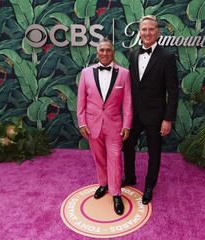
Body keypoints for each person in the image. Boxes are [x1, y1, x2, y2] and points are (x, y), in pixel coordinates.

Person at [123, 15, 179, 205]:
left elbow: (173, 91)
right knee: (127, 146)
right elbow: (131, 85)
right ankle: (130, 177)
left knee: (154, 153)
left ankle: (149, 186)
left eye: (151, 29)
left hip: (156, 115)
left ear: (158, 32)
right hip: (134, 114)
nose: (147, 33)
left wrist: (168, 119)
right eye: (144, 29)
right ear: (140, 32)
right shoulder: (132, 54)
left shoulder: (167, 57)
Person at [77, 39, 132, 215]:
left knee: (115, 158)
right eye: (102, 50)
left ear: (113, 52)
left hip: (114, 125)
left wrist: (127, 124)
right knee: (99, 158)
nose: (105, 53)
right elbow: (81, 101)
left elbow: (128, 102)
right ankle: (103, 184)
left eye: (108, 50)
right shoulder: (86, 73)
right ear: (97, 52)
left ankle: (116, 193)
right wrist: (82, 123)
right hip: (92, 125)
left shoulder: (124, 73)